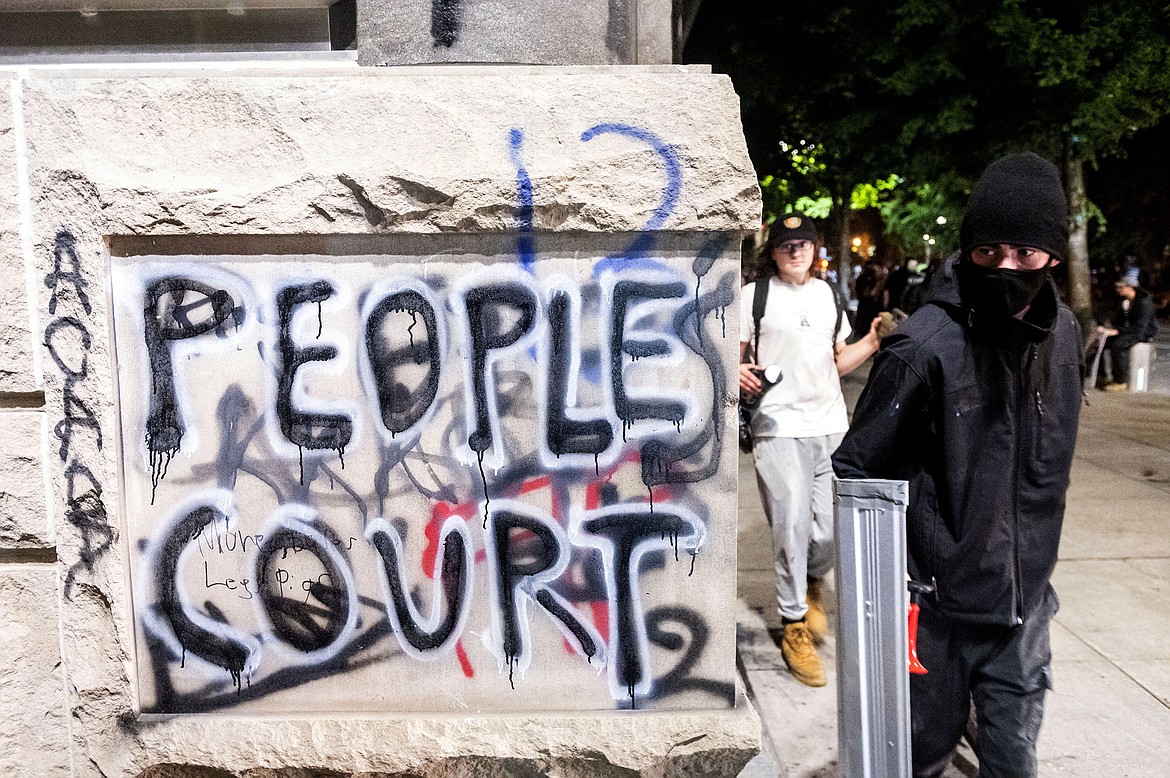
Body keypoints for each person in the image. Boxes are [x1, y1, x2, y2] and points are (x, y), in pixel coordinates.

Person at [832, 152, 1083, 776]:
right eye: (988, 251)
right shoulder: (923, 345)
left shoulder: (1065, 337)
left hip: (1022, 605)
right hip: (935, 614)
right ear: (967, 249)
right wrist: (900, 589)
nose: (1005, 267)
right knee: (920, 756)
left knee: (1011, 757)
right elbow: (859, 472)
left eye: (1024, 254)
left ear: (1052, 256)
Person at [739, 214, 884, 687]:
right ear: (773, 252)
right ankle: (793, 625)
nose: (795, 251)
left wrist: (873, 341)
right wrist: (734, 369)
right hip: (777, 427)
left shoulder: (827, 295)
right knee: (790, 526)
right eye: (786, 245)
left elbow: (837, 361)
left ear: (815, 249)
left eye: (803, 244)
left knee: (827, 529)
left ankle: (810, 583)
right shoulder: (754, 296)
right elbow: (731, 352)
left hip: (830, 426)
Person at [1098, 267, 1157, 391]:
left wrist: (1118, 331)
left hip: (1142, 332)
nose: (1118, 290)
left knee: (1118, 346)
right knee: (1101, 344)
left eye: (1121, 287)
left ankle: (1121, 380)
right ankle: (1102, 375)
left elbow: (1140, 326)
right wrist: (1108, 328)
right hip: (1130, 330)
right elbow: (1117, 320)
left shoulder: (1144, 303)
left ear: (1130, 287)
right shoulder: (1125, 302)